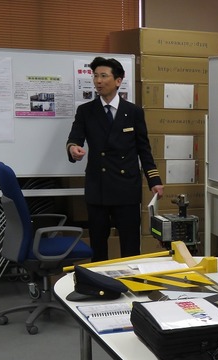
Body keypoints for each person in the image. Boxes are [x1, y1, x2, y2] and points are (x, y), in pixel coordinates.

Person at [66, 57, 164, 262]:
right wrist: (73, 148)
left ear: (118, 80)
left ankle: (132, 284)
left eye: (103, 76)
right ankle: (100, 287)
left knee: (130, 246)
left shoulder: (134, 111)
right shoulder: (86, 111)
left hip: (126, 187)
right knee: (98, 246)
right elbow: (75, 138)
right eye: (95, 76)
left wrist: (154, 180)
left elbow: (143, 149)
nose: (98, 81)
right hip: (97, 187)